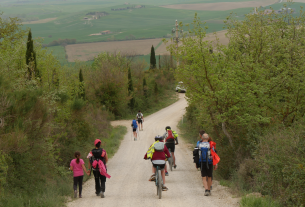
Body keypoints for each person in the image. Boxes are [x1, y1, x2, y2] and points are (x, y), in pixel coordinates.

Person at [196, 132, 218, 196]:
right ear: (208, 138)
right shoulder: (211, 144)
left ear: (202, 138)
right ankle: (208, 190)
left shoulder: (199, 144)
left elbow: (196, 154)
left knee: (204, 177)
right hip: (210, 162)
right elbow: (214, 155)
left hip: (202, 162)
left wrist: (196, 163)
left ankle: (205, 190)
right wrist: (216, 164)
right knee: (209, 176)